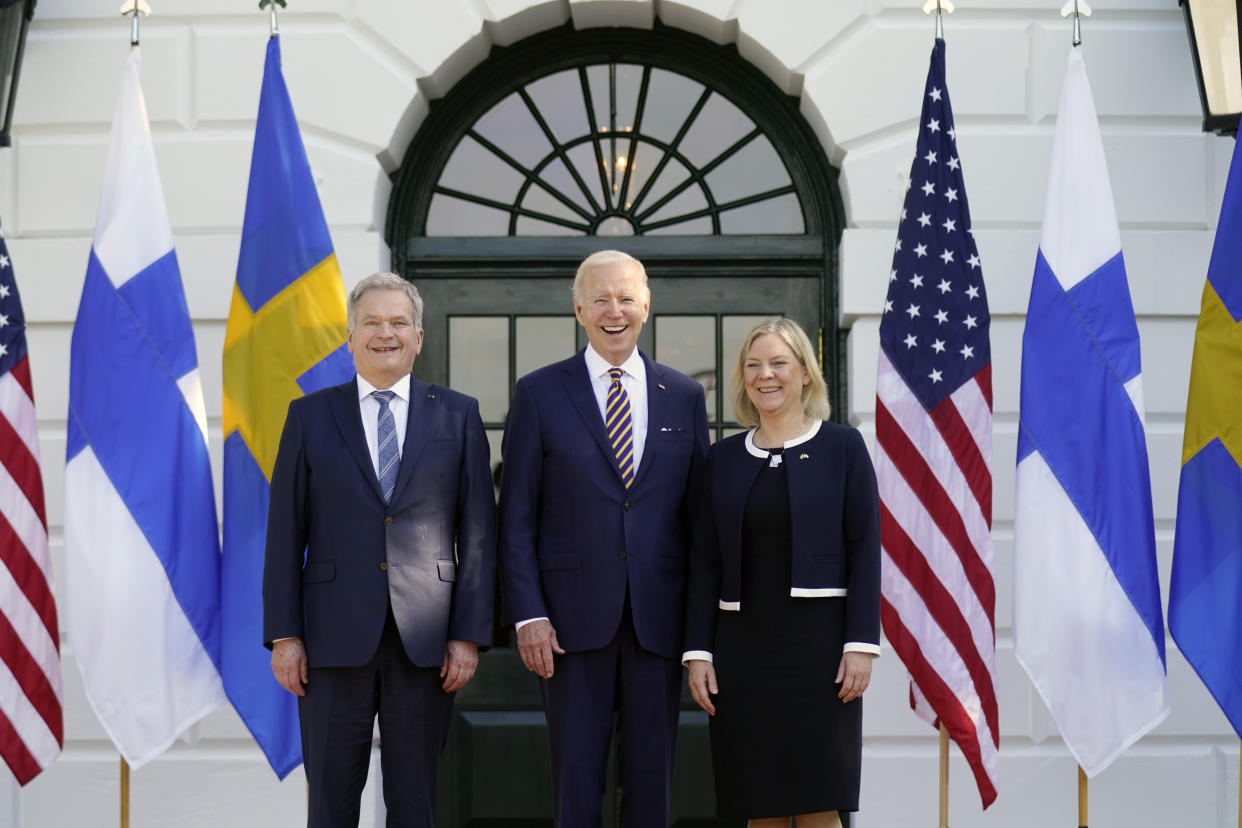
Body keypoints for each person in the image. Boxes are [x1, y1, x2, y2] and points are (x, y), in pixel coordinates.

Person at [263, 272, 496, 827]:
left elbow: (480, 533)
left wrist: (468, 634)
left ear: (419, 337)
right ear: (350, 337)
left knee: (415, 804)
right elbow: (283, 532)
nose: (384, 334)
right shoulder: (310, 415)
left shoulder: (458, 415)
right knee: (331, 804)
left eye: (398, 323)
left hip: (427, 642)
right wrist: (285, 634)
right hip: (330, 640)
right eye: (372, 323)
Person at [499, 249, 709, 827]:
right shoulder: (539, 393)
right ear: (578, 309)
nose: (613, 311)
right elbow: (514, 517)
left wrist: (699, 635)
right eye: (600, 299)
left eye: (625, 298)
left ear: (646, 305)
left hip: (657, 623)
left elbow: (698, 526)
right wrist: (527, 615)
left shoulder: (685, 396)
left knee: (652, 787)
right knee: (576, 785)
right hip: (566, 626)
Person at [683, 317, 880, 828]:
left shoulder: (844, 447)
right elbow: (704, 558)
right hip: (742, 654)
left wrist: (860, 643)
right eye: (753, 366)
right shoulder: (722, 459)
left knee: (818, 804)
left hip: (819, 652)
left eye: (778, 363)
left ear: (806, 375)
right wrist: (698, 653)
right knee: (758, 806)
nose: (764, 375)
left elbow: (865, 547)